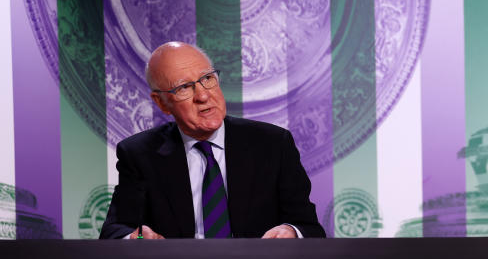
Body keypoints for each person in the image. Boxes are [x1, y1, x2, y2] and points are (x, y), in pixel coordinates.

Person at [100, 41, 325, 239]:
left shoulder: (273, 145)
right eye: (184, 87)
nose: (203, 95)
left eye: (207, 79)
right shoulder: (140, 154)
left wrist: (291, 231)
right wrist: (137, 239)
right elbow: (115, 231)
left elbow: (309, 228)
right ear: (161, 103)